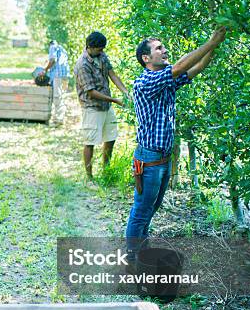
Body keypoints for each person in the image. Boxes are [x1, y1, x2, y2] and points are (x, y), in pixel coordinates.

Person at [125, 27, 227, 262]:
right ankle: (132, 258)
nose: (165, 50)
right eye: (158, 48)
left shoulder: (164, 81)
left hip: (161, 159)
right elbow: (180, 67)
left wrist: (214, 47)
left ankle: (141, 253)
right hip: (149, 160)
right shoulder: (147, 81)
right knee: (141, 211)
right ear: (146, 58)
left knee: (150, 209)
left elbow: (194, 69)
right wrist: (210, 42)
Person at [74, 31, 129, 181]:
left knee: (110, 138)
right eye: (99, 49)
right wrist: (114, 100)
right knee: (90, 142)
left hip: (106, 106)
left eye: (103, 48)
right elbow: (91, 92)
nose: (102, 51)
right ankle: (89, 177)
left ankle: (106, 172)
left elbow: (112, 74)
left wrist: (125, 91)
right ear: (90, 47)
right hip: (92, 107)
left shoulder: (102, 56)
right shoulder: (82, 65)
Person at [40, 40, 70, 126]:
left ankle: (58, 120)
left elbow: (52, 60)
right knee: (62, 95)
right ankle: (61, 117)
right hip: (65, 74)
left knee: (57, 96)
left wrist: (45, 70)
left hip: (58, 75)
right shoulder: (62, 49)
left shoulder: (53, 47)